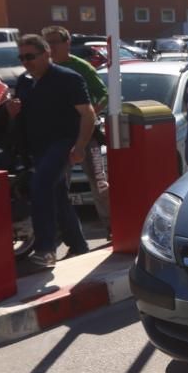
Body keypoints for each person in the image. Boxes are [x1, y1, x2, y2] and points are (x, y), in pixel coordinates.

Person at [6, 34, 94, 267]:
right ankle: (79, 246)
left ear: (46, 54)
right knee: (57, 195)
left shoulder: (68, 79)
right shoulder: (24, 81)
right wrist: (14, 112)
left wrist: (80, 147)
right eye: (22, 57)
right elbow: (26, 115)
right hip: (38, 146)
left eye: (31, 56)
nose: (26, 61)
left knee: (41, 185)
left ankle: (45, 248)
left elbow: (88, 114)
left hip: (63, 143)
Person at [41, 25, 110, 231]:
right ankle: (62, 231)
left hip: (89, 137)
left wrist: (89, 115)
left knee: (99, 183)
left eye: (55, 42)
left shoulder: (81, 68)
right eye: (47, 43)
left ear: (67, 43)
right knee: (59, 185)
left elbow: (104, 95)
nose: (51, 47)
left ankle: (111, 227)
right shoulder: (43, 70)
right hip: (58, 137)